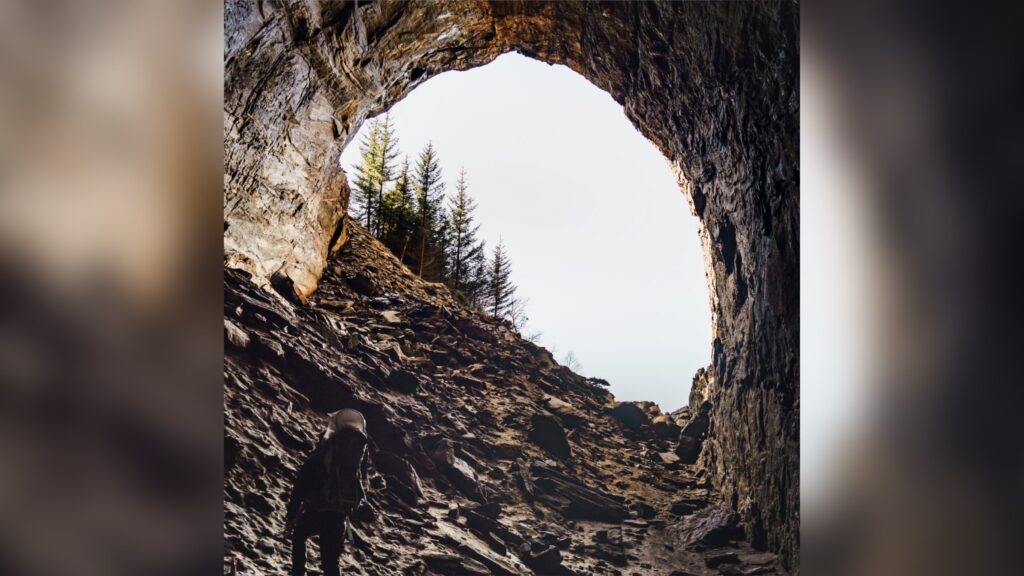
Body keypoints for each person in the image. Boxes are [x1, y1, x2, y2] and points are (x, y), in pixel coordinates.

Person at [285, 409, 370, 576]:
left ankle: (298, 572)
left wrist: (291, 515)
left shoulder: (321, 457)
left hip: (316, 511)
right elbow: (361, 492)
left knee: (299, 536)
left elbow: (300, 486)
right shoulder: (355, 462)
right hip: (338, 518)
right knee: (331, 562)